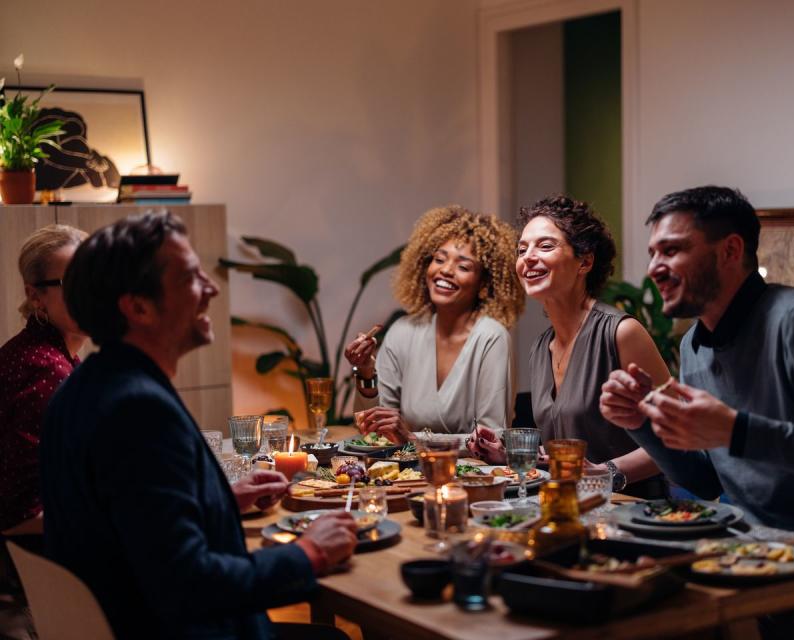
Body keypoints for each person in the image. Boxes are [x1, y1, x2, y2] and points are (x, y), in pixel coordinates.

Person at [599, 186, 794, 639]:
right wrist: (642, 423)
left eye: (672, 250)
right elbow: (708, 479)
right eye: (652, 253)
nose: (653, 269)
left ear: (730, 250)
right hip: (752, 565)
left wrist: (736, 430)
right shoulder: (694, 346)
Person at [41, 212, 357, 640]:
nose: (211, 288)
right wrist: (309, 553)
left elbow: (130, 521)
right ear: (138, 306)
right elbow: (187, 583)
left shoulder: (84, 386)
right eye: (191, 277)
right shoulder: (137, 409)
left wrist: (216, 500)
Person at [469, 195, 671, 498]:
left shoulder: (621, 332)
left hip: (632, 510)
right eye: (522, 250)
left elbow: (675, 436)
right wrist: (509, 455)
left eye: (545, 246)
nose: (528, 258)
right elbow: (564, 457)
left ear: (585, 262)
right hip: (568, 508)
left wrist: (608, 473)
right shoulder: (540, 348)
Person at [345, 205, 525, 442]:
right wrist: (366, 373)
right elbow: (375, 430)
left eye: (463, 266)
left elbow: (493, 438)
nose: (446, 270)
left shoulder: (492, 338)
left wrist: (414, 439)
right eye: (439, 259)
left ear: (484, 286)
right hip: (404, 476)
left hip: (472, 477)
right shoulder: (403, 331)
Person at [0, 225, 87, 640]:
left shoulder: (57, 355)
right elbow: (21, 512)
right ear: (36, 295)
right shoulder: (45, 369)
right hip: (22, 586)